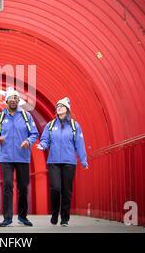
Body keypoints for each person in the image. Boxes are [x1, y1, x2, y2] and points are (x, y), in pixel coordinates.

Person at [0, 87, 39, 227]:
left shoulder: (26, 116)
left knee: (23, 187)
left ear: (19, 101)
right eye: (11, 98)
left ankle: (23, 216)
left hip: (22, 156)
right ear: (6, 101)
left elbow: (34, 134)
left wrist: (28, 142)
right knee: (7, 185)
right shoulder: (0, 117)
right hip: (5, 157)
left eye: (16, 98)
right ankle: (7, 218)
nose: (13, 100)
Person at [37, 97, 88, 227]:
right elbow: (45, 139)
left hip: (69, 162)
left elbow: (80, 144)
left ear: (67, 109)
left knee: (67, 191)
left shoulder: (74, 126)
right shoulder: (50, 125)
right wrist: (42, 145)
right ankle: (55, 213)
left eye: (62, 106)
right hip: (53, 161)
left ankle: (64, 218)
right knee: (55, 188)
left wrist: (83, 160)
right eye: (57, 106)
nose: (58, 107)